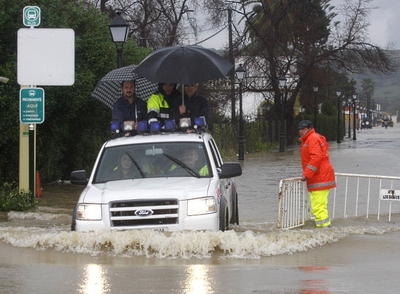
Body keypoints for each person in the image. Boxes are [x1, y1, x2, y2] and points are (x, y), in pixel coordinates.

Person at [298, 120, 336, 228]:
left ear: (310, 128)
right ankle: (323, 229)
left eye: (303, 129)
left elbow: (316, 158)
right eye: (299, 129)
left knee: (318, 206)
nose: (300, 131)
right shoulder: (311, 138)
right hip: (319, 177)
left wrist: (307, 174)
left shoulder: (312, 138)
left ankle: (325, 230)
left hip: (320, 177)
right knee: (319, 206)